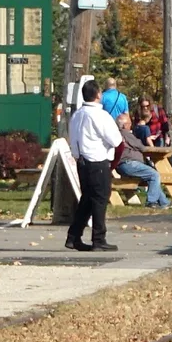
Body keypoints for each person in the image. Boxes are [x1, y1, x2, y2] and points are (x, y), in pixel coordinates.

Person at [65, 79, 121, 252]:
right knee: (100, 199)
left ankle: (74, 236)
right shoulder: (100, 116)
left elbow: (72, 137)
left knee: (87, 199)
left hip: (81, 160)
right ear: (98, 95)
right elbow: (116, 139)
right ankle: (99, 238)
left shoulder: (77, 114)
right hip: (97, 161)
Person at [115, 114, 171, 209]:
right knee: (154, 174)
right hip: (129, 163)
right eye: (129, 123)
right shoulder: (125, 133)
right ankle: (151, 202)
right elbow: (141, 146)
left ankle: (164, 202)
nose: (130, 124)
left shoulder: (117, 134)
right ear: (124, 125)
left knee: (151, 177)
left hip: (123, 165)